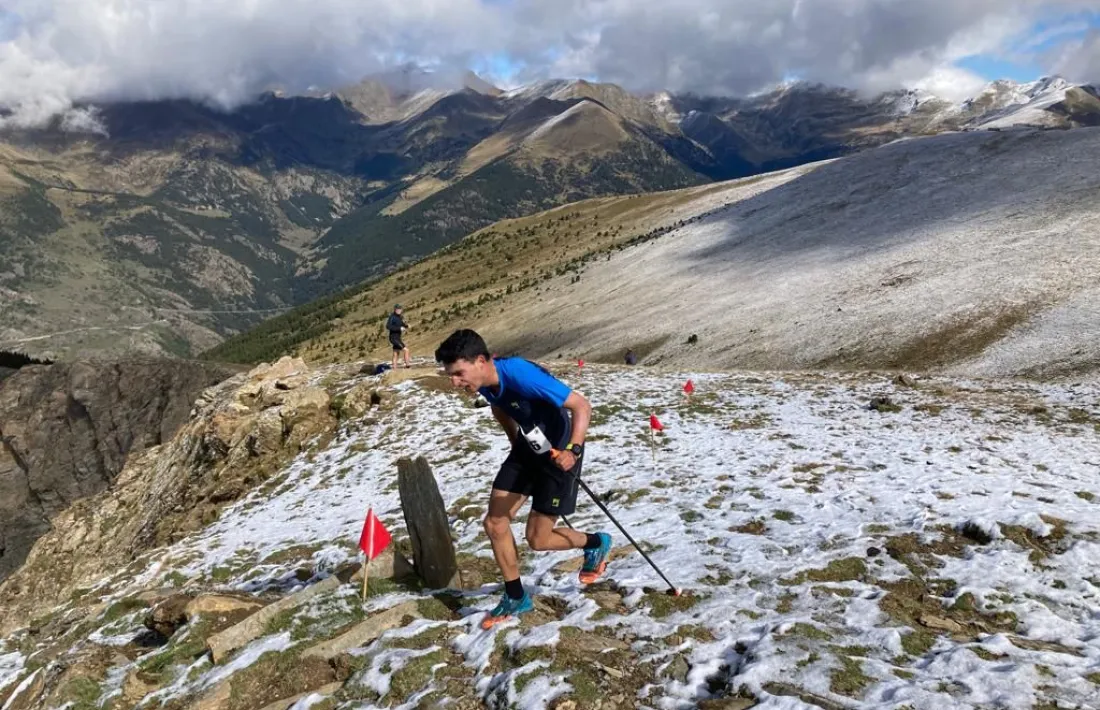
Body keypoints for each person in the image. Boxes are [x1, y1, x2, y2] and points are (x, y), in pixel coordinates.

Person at [435, 329, 612, 629]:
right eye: (451, 375)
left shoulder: (519, 373)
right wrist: (514, 441)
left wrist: (574, 450)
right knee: (495, 522)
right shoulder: (484, 381)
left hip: (559, 448)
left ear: (480, 361)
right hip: (528, 447)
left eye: (458, 373)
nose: (454, 382)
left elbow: (581, 405)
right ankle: (516, 595)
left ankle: (596, 542)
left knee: (538, 539)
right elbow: (499, 406)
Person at [385, 304, 411, 369]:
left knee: (396, 353)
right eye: (397, 309)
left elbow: (401, 324)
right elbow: (388, 326)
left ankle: (394, 369)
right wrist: (399, 328)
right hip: (393, 338)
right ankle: (408, 366)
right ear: (395, 309)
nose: (399, 310)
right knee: (406, 350)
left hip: (398, 337)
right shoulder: (392, 317)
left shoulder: (399, 317)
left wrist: (407, 326)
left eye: (400, 309)